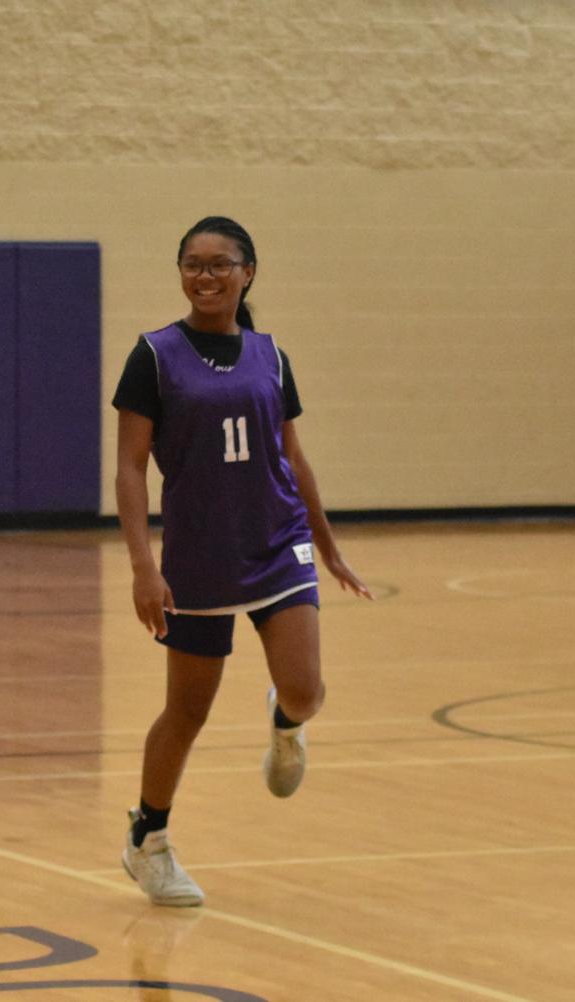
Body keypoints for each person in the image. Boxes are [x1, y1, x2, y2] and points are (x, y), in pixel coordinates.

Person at [112, 215, 373, 906]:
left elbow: (292, 456)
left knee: (305, 691)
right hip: (198, 555)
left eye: (220, 263)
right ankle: (148, 838)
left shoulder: (271, 356)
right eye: (192, 264)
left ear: (247, 272)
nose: (205, 275)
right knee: (186, 712)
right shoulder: (153, 355)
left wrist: (326, 543)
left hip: (276, 541)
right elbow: (130, 469)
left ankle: (284, 726)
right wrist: (143, 566)